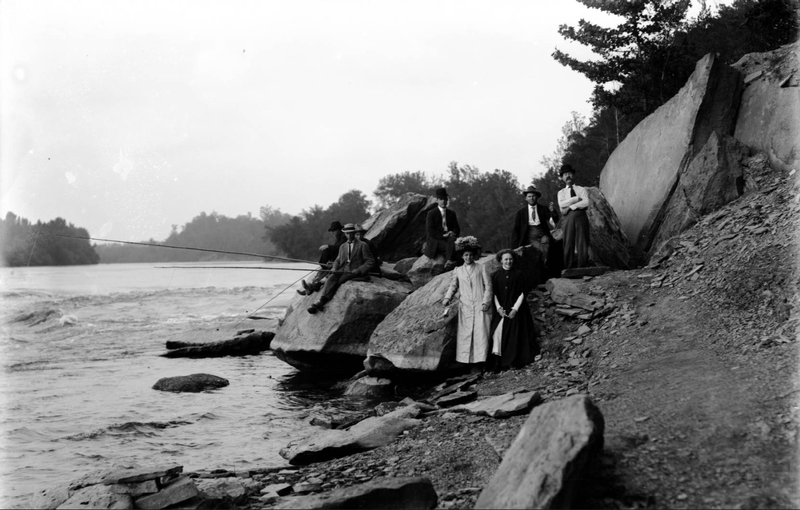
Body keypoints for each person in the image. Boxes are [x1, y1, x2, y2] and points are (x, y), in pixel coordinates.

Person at [441, 240, 492, 371]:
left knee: (481, 332)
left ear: (473, 255)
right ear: (462, 257)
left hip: (480, 304)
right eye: (465, 255)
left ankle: (481, 362)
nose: (468, 257)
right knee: (466, 333)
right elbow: (453, 286)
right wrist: (447, 298)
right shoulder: (458, 270)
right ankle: (467, 362)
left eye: (470, 255)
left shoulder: (481, 267)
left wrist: (486, 301)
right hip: (466, 306)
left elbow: (488, 286)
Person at [488, 249, 538, 371]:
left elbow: (522, 293)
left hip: (517, 309)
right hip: (501, 308)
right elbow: (494, 294)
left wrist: (515, 309)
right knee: (497, 333)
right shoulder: (495, 276)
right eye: (506, 259)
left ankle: (515, 361)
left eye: (510, 259)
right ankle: (500, 363)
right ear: (501, 261)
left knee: (515, 333)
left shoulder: (519, 274)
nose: (508, 261)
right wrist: (499, 308)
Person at [308, 223, 374, 314]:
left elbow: (370, 262)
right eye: (347, 234)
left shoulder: (363, 245)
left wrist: (359, 270)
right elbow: (338, 260)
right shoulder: (343, 246)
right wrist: (334, 268)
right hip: (343, 270)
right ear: (345, 234)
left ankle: (321, 302)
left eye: (351, 233)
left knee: (338, 281)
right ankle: (321, 301)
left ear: (354, 233)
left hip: (355, 272)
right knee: (331, 277)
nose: (349, 235)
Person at [557, 163, 590, 269]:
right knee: (568, 241)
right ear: (562, 178)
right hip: (567, 218)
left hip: (581, 216)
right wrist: (576, 199)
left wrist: (570, 207)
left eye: (569, 173)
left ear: (573, 175)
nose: (568, 176)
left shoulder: (581, 189)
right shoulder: (561, 193)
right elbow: (562, 205)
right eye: (565, 174)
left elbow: (586, 203)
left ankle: (582, 266)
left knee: (582, 241)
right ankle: (568, 268)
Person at [511, 185, 554, 266]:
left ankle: (543, 264)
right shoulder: (521, 213)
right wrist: (514, 246)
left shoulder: (543, 209)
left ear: (537, 197)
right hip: (531, 235)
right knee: (538, 248)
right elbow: (516, 229)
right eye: (529, 196)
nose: (531, 198)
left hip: (543, 233)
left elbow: (552, 221)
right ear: (526, 198)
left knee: (546, 243)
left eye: (533, 196)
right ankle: (543, 265)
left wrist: (553, 212)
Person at [299, 220, 346, 295]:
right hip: (336, 258)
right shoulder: (338, 237)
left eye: (334, 230)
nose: (332, 233)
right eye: (331, 231)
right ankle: (308, 289)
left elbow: (339, 248)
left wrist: (328, 246)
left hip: (342, 259)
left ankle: (312, 286)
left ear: (338, 229)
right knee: (322, 269)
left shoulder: (343, 236)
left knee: (326, 250)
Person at [424, 187, 460, 268]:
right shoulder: (431, 213)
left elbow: (456, 228)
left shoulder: (451, 213)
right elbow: (430, 230)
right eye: (441, 199)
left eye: (445, 199)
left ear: (447, 200)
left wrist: (452, 232)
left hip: (449, 237)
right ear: (437, 200)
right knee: (451, 246)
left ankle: (449, 261)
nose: (443, 201)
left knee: (452, 241)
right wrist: (443, 235)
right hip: (436, 238)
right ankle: (450, 261)